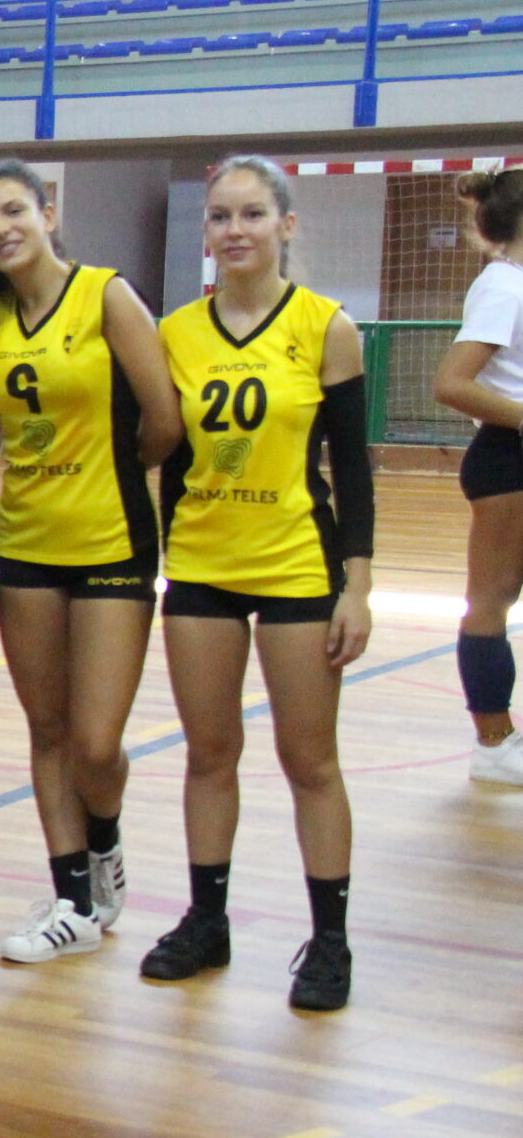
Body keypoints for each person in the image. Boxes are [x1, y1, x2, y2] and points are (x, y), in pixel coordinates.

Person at [143, 157, 371, 1013]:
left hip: (295, 565)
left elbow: (352, 466)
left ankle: (332, 939)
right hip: (200, 561)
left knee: (309, 759)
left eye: (251, 214)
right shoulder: (175, 333)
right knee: (209, 753)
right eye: (219, 216)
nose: (233, 229)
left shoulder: (326, 328)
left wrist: (359, 581)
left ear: (286, 224)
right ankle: (208, 920)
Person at [0, 159, 180, 963]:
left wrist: (105, 473)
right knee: (47, 728)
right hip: (22, 544)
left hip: (112, 541)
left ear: (46, 211)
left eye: (13, 211)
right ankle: (70, 896)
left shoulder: (107, 294)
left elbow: (162, 420)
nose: (0, 230)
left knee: (95, 742)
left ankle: (105, 838)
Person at [434, 165, 523, 786]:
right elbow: (452, 383)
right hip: (508, 460)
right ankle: (493, 743)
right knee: (490, 599)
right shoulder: (504, 286)